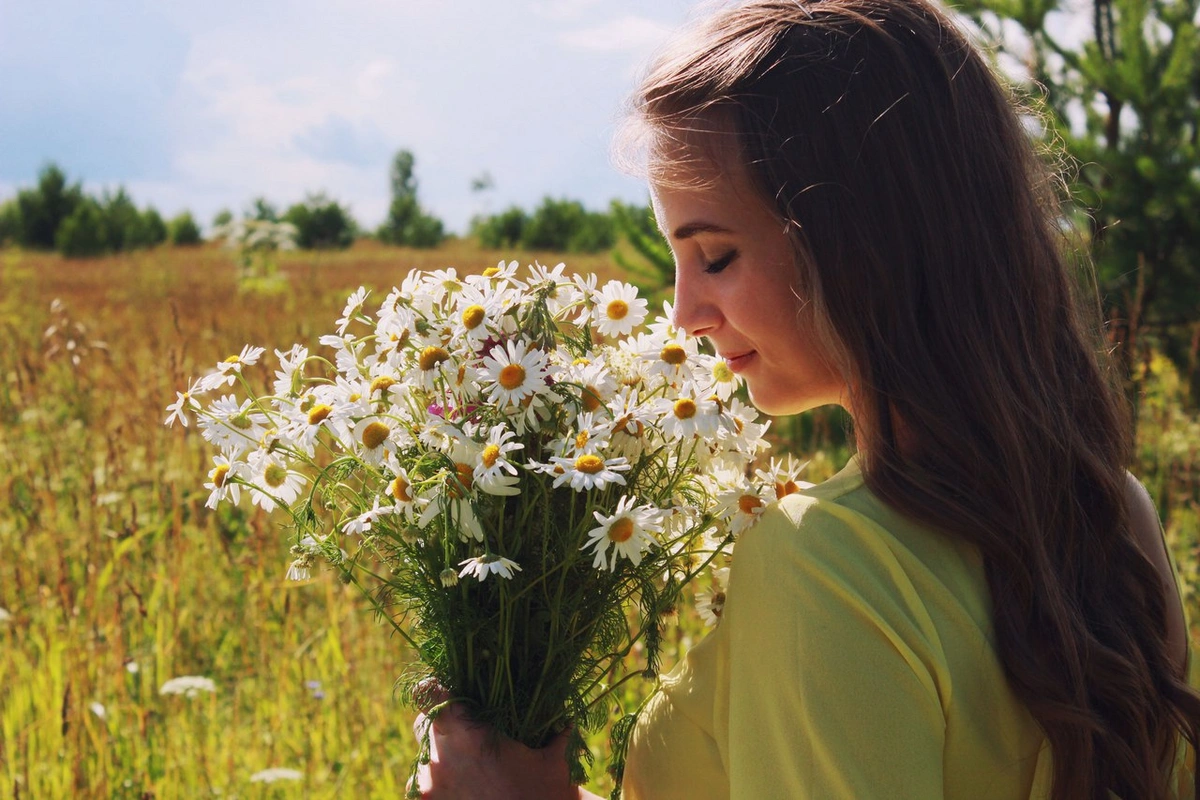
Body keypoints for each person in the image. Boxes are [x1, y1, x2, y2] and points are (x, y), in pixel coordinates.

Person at [413, 0, 1200, 797]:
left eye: (715, 256)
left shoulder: (824, 561)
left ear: (862, 239)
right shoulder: (1112, 514)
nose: (683, 313)